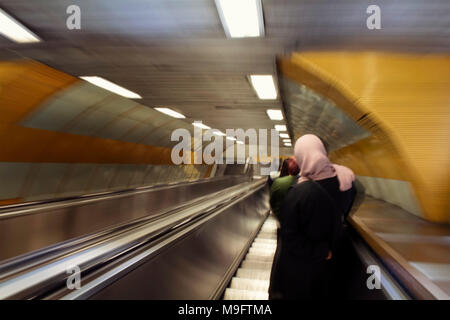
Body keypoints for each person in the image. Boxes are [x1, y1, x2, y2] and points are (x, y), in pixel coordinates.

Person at [269, 134, 356, 299]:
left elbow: (290, 236)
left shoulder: (298, 191)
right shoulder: (346, 180)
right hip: (331, 266)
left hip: (302, 268)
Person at [269, 156, 299, 220]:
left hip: (281, 217)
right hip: (298, 219)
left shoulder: (278, 182)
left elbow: (272, 201)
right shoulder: (305, 183)